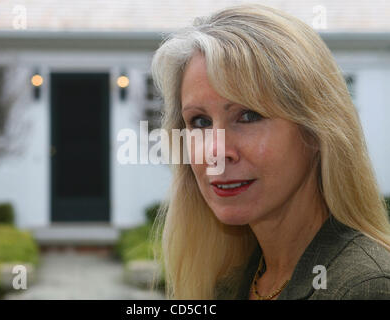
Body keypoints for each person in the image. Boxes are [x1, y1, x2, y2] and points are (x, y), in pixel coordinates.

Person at [150, 4, 390, 300]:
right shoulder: (233, 280)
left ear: (316, 131)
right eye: (200, 121)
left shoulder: (364, 287)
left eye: (248, 116)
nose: (216, 151)